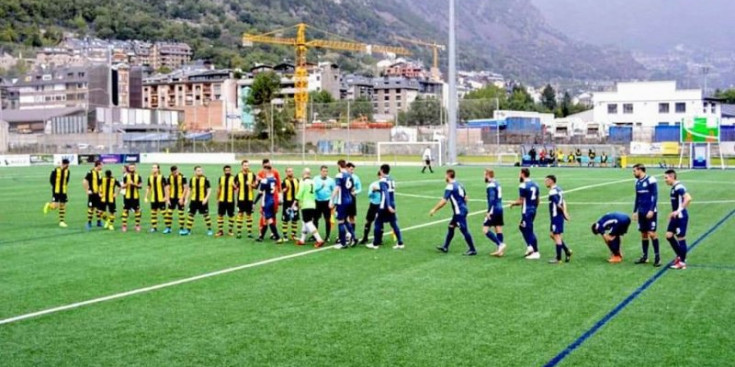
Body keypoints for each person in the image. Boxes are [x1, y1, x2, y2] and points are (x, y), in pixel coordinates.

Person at [430, 169, 477, 256]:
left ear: (448, 176)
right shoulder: (460, 184)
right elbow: (466, 197)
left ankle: (472, 249)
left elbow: (444, 201)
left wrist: (434, 209)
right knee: (451, 227)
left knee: (464, 230)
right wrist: (463, 207)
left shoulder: (450, 186)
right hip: (461, 210)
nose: (444, 177)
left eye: (445, 175)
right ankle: (445, 247)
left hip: (459, 212)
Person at [367, 164, 404, 250]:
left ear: (382, 170)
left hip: (384, 205)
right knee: (394, 223)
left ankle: (375, 244)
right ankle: (400, 242)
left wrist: (388, 206)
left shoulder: (382, 180)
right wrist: (378, 190)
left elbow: (386, 193)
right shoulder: (391, 179)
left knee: (377, 222)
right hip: (392, 203)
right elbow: (388, 191)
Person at [632, 164, 660, 266]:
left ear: (640, 170)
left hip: (650, 211)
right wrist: (635, 211)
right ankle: (645, 256)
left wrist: (651, 210)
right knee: (643, 234)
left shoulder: (651, 180)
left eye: (634, 171)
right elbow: (637, 197)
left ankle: (657, 257)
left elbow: (655, 195)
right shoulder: (637, 182)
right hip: (641, 212)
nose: (633, 173)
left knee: (652, 233)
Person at [510, 168, 540, 259]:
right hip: (533, 209)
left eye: (519, 173)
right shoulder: (535, 184)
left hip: (526, 211)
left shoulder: (523, 185)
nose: (519, 175)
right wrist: (534, 208)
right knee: (522, 227)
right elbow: (538, 199)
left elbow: (521, 201)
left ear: (523, 174)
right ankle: (530, 247)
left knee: (529, 230)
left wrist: (513, 203)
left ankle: (536, 252)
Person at [664, 169, 692, 270]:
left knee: (681, 238)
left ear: (672, 177)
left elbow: (688, 198)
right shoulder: (673, 187)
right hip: (675, 217)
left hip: (681, 217)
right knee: (669, 235)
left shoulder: (679, 187)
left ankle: (682, 262)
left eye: (666, 178)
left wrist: (678, 211)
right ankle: (680, 256)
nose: (665, 180)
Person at [293, 168, 324, 248]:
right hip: (313, 205)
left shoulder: (303, 182)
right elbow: (316, 190)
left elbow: (300, 193)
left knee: (308, 222)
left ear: (304, 173)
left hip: (306, 205)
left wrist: (295, 202)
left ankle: (319, 239)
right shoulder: (313, 182)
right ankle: (302, 240)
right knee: (304, 222)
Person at [545, 175, 572, 264]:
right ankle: (567, 250)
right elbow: (563, 201)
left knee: (556, 236)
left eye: (547, 180)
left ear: (551, 181)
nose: (545, 182)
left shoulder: (552, 191)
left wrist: (565, 214)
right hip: (558, 216)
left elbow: (558, 204)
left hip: (556, 216)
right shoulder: (559, 189)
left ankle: (558, 258)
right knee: (553, 235)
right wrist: (565, 212)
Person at [181, 166, 213, 236]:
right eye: (198, 171)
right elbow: (189, 190)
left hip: (202, 200)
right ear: (195, 171)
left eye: (201, 170)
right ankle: (188, 231)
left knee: (206, 215)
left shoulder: (205, 179)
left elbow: (209, 190)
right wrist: (186, 199)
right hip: (194, 200)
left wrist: (206, 199)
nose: (200, 172)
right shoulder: (192, 179)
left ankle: (210, 230)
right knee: (191, 215)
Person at [332, 160, 356, 249]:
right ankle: (354, 238)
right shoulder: (350, 175)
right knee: (345, 220)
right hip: (350, 200)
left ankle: (343, 243)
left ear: (338, 165)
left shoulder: (339, 175)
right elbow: (353, 189)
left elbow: (337, 188)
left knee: (340, 221)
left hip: (342, 201)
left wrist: (331, 200)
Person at [255, 164, 282, 243]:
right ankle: (261, 237)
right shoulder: (274, 179)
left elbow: (260, 193)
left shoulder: (264, 180)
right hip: (274, 200)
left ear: (267, 170)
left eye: (264, 170)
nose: (263, 171)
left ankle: (278, 237)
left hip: (267, 201)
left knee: (269, 220)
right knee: (266, 219)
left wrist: (254, 203)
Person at [484, 169, 507, 257]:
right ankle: (500, 251)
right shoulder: (497, 183)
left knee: (485, 230)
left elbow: (491, 199)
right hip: (500, 208)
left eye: (484, 175)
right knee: (498, 228)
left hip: (494, 209)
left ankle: (500, 244)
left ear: (488, 175)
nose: (484, 177)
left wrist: (489, 211)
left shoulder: (490, 185)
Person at [44, 158, 71, 227]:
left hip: (63, 191)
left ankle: (61, 222)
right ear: (64, 164)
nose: (68, 166)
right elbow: (51, 179)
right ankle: (49, 205)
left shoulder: (68, 171)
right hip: (56, 190)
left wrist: (64, 186)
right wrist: (55, 187)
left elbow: (67, 180)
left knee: (63, 205)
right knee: (54, 206)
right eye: (67, 165)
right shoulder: (55, 170)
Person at [235, 160, 257, 238]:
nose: (246, 167)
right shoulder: (238, 175)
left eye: (247, 165)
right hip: (241, 199)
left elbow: (256, 186)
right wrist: (236, 198)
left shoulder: (252, 174)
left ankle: (249, 233)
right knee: (240, 214)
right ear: (242, 166)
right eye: (245, 165)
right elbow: (235, 187)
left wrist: (250, 184)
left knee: (249, 214)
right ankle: (239, 232)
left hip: (250, 198)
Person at [313, 165, 335, 242]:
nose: (325, 173)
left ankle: (327, 236)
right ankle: (315, 236)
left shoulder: (331, 180)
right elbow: (313, 189)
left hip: (327, 202)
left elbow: (334, 190)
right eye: (324, 171)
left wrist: (333, 201)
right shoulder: (315, 179)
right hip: (317, 201)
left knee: (327, 219)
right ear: (320, 171)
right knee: (315, 219)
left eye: (326, 171)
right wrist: (320, 187)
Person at [164, 166, 188, 235]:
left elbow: (185, 188)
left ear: (178, 170)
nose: (175, 173)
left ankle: (181, 229)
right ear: (171, 172)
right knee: (169, 213)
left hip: (180, 197)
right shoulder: (169, 177)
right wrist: (167, 199)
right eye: (174, 172)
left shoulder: (183, 177)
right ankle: (168, 228)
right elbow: (167, 188)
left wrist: (182, 198)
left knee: (181, 213)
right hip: (172, 198)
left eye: (176, 172)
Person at [144, 164, 168, 233]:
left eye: (155, 168)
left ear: (158, 169)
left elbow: (166, 187)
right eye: (152, 168)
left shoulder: (162, 177)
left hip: (161, 198)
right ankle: (154, 228)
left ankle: (168, 227)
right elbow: (148, 188)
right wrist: (146, 197)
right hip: (153, 198)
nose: (153, 169)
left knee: (164, 213)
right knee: (153, 213)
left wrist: (166, 197)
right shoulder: (150, 177)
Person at [360, 172, 382, 245]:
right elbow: (369, 195)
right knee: (368, 221)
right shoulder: (373, 184)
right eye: (380, 176)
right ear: (378, 176)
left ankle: (379, 239)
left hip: (381, 205)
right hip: (373, 205)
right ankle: (365, 237)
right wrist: (373, 191)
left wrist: (378, 190)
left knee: (379, 222)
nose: (382, 177)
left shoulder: (385, 184)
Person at [83, 160, 105, 230]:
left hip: (98, 193)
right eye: (101, 165)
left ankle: (98, 222)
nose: (102, 166)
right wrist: (87, 190)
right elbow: (84, 181)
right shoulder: (90, 172)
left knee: (99, 208)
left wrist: (101, 192)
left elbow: (100, 183)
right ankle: (89, 222)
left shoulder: (100, 172)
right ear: (98, 165)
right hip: (92, 193)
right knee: (91, 208)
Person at [120, 163, 143, 232]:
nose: (132, 169)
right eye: (130, 168)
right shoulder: (126, 176)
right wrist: (127, 184)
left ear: (135, 168)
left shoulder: (138, 176)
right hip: (127, 196)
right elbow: (122, 186)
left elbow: (140, 186)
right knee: (125, 211)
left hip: (135, 196)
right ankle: (124, 226)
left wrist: (133, 184)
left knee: (137, 211)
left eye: (133, 167)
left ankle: (137, 225)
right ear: (128, 168)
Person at [215, 165, 236, 237]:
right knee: (220, 215)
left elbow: (237, 189)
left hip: (230, 200)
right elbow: (219, 189)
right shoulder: (221, 178)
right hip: (222, 200)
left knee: (231, 215)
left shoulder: (234, 178)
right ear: (224, 171)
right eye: (226, 170)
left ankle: (230, 231)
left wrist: (234, 186)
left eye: (229, 170)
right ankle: (220, 231)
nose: (228, 171)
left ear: (231, 170)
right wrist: (217, 199)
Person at [280, 167, 300, 241]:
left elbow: (299, 191)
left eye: (291, 171)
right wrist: (285, 190)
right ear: (286, 173)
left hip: (295, 202)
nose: (290, 172)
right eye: (288, 171)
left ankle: (293, 235)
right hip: (287, 203)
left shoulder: (297, 180)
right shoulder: (284, 181)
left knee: (294, 219)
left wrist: (298, 202)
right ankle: (285, 236)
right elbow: (282, 191)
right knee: (285, 219)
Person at [346, 162, 361, 242]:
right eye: (351, 169)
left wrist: (355, 192)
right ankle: (346, 234)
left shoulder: (356, 177)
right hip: (344, 198)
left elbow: (359, 188)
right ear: (347, 168)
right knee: (344, 217)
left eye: (353, 169)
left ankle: (352, 234)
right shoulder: (343, 176)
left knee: (352, 216)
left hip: (352, 198)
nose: (352, 171)